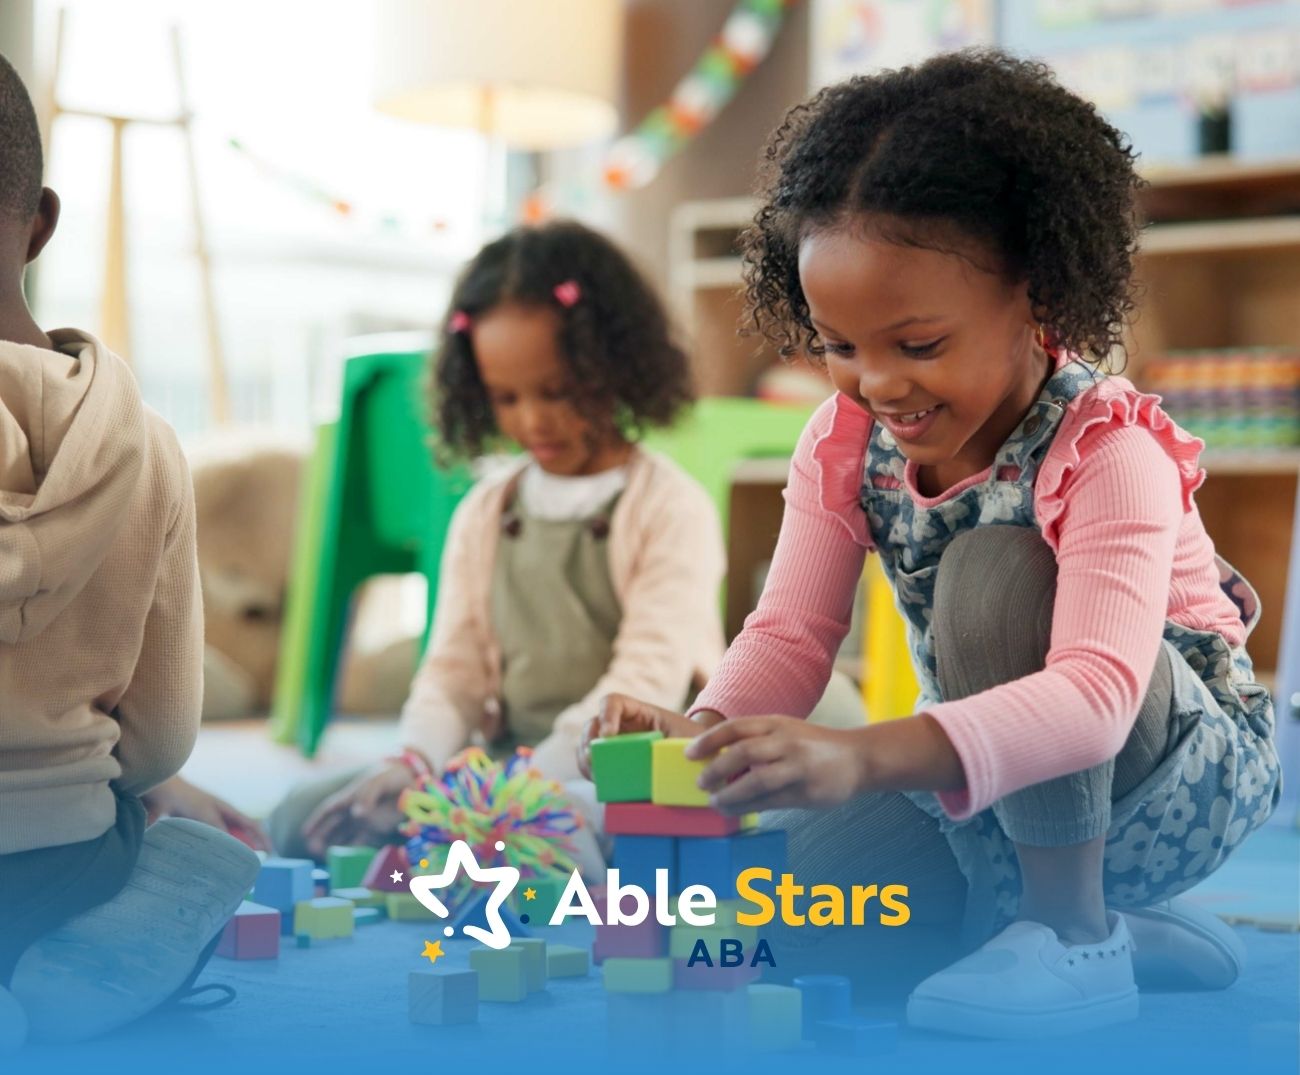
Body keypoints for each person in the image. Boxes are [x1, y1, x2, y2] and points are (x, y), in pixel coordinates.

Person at [584, 49, 1279, 1039]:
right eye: (837, 344)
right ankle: (1121, 929)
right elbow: (786, 634)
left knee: (993, 573)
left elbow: (1090, 701)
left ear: (1038, 298)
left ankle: (1073, 928)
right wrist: (701, 741)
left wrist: (861, 756)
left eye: (916, 345)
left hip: (1170, 773)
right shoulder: (844, 437)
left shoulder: (1110, 448)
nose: (877, 385)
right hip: (994, 776)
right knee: (805, 928)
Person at [269, 221, 726, 870]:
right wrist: (416, 764)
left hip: (621, 771)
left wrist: (507, 793)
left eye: (557, 391)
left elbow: (644, 678)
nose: (532, 420)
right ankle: (477, 840)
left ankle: (501, 848)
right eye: (506, 397)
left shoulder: (671, 506)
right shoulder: (486, 509)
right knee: (300, 816)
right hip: (504, 765)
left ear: (615, 364)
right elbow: (452, 668)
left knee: (570, 829)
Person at [0, 55, 259, 1051]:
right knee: (123, 847)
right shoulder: (146, 443)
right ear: (41, 221)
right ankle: (90, 948)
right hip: (71, 856)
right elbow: (159, 739)